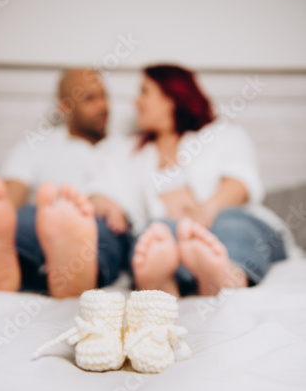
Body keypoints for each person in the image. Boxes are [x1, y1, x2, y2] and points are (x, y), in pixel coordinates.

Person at [115, 64, 300, 297]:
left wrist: (206, 211)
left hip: (227, 219)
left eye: (144, 92)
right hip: (173, 235)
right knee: (152, 235)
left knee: (231, 223)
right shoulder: (134, 155)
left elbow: (240, 182)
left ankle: (228, 276)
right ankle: (163, 285)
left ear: (170, 97)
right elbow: (114, 194)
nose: (136, 102)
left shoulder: (221, 134)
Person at [0, 69, 130, 297]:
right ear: (65, 107)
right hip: (40, 218)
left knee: (101, 234)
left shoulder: (128, 148)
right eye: (90, 99)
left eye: (104, 96)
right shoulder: (36, 146)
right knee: (21, 222)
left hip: (103, 222)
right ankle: (4, 272)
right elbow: (10, 196)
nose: (102, 106)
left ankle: (56, 274)